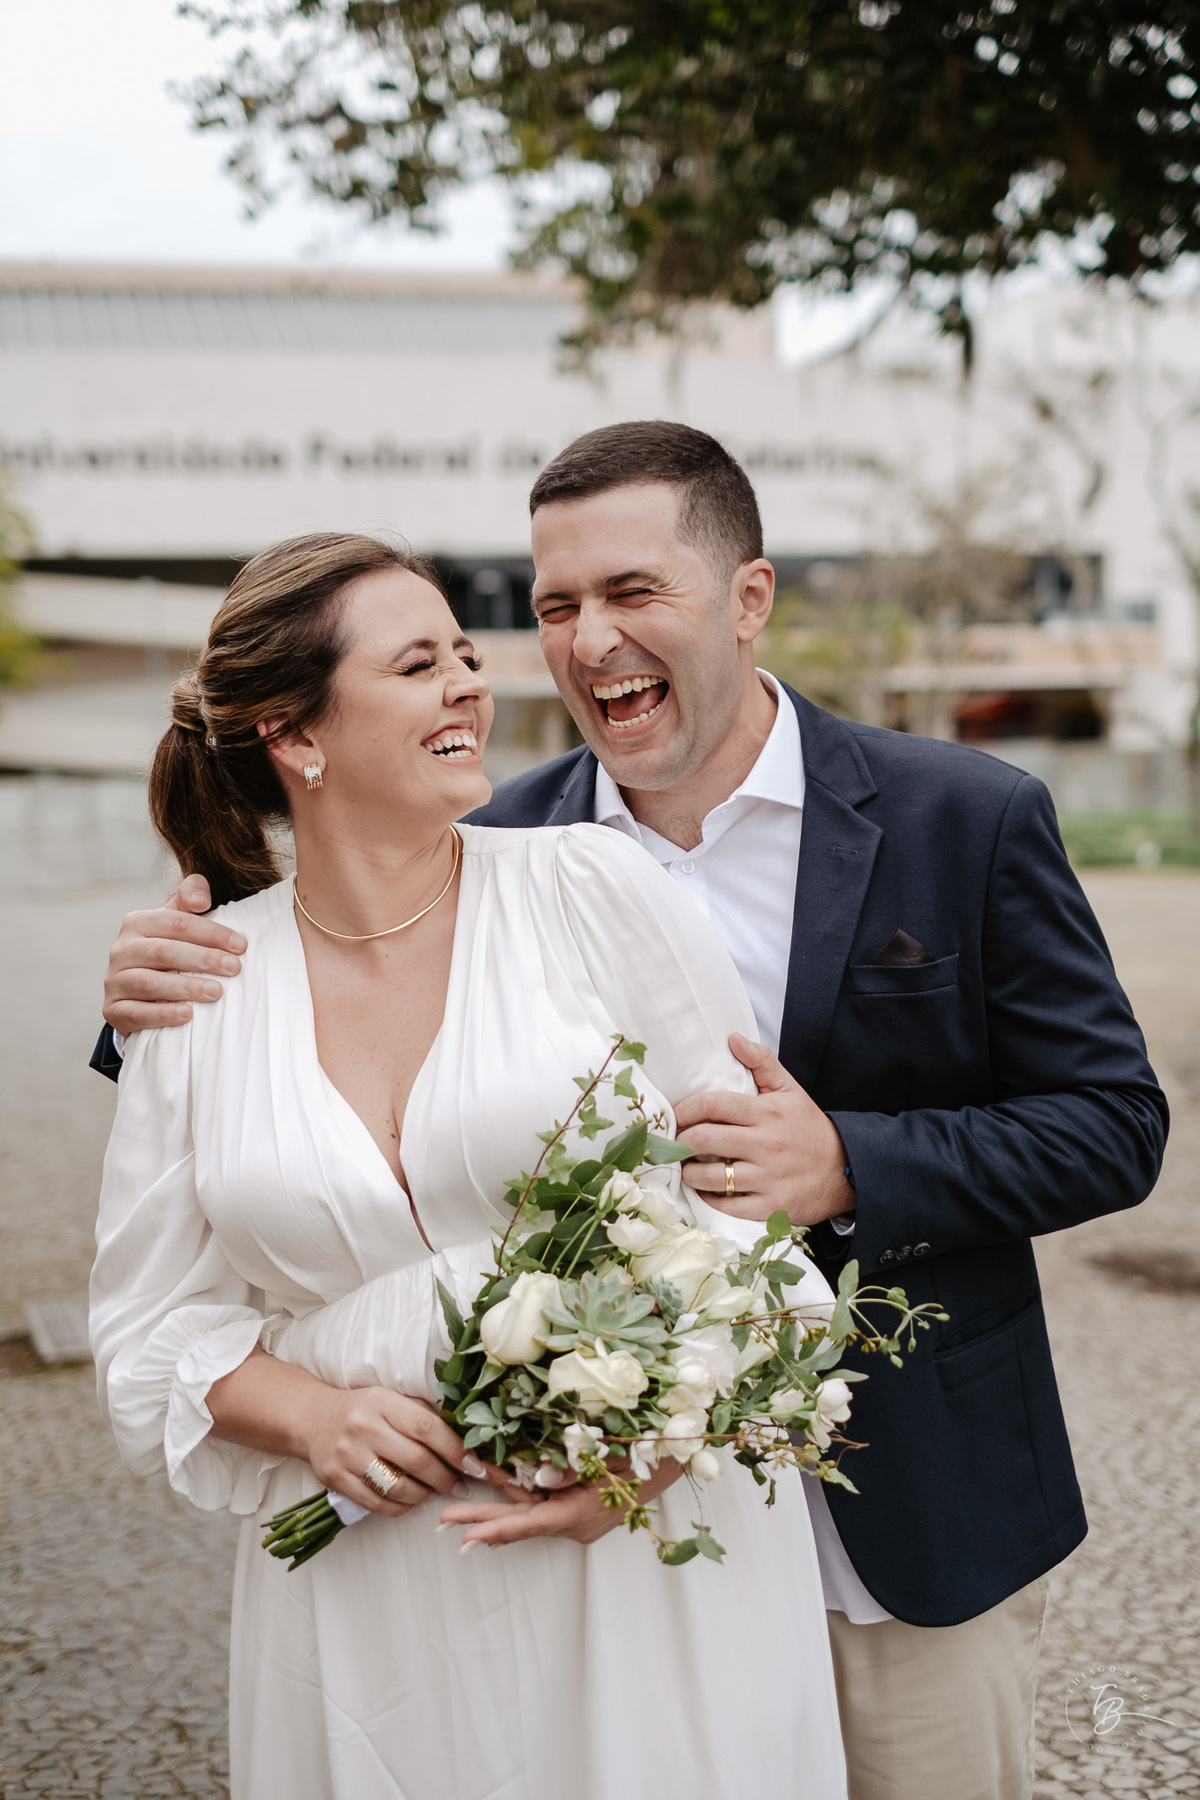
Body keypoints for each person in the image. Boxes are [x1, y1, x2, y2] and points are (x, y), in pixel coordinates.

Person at [93, 426, 1169, 1800]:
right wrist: (134, 986)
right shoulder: (525, 837)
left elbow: (1111, 1121)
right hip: (487, 1559)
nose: (587, 639)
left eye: (632, 593)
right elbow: (233, 1109)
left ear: (748, 597)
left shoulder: (965, 814)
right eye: (553, 607)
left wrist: (849, 1165)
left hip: (908, 1518)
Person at [89, 531, 847, 1800]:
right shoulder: (204, 986)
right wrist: (316, 1418)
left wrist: (651, 1452)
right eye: (417, 664)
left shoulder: (594, 887)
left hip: (637, 1537)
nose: (469, 685)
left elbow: (742, 1203)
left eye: (464, 653)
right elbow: (148, 1327)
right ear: (295, 733)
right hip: (372, 1579)